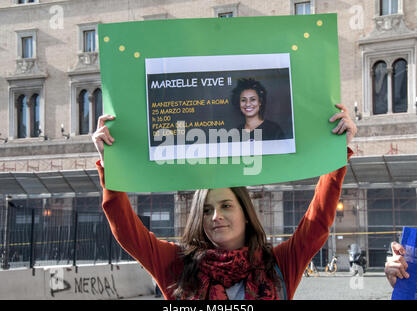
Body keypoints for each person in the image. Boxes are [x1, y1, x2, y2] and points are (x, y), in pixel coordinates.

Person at [92, 104, 357, 300]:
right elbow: (127, 231)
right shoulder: (175, 264)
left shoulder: (280, 263)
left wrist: (336, 154)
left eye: (226, 205)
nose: (215, 215)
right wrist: (110, 164)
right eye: (206, 210)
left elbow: (318, 221)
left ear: (245, 212)